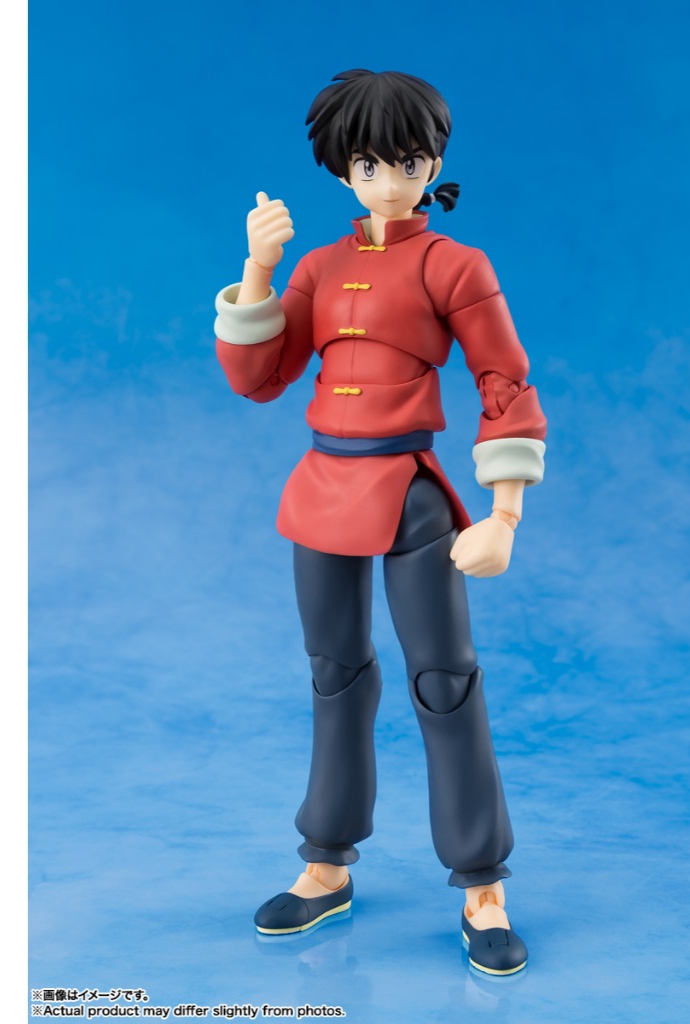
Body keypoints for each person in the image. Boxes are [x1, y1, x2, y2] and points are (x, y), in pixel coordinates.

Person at [213, 69, 546, 975]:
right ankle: (326, 862)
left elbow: (504, 381)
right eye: (368, 165)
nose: (389, 182)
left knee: (445, 681)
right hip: (324, 484)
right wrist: (258, 272)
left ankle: (482, 883)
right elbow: (257, 378)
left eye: (407, 162)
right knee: (334, 675)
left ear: (433, 164)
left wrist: (505, 513)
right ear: (342, 171)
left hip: (410, 494)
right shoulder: (319, 268)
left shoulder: (455, 265)